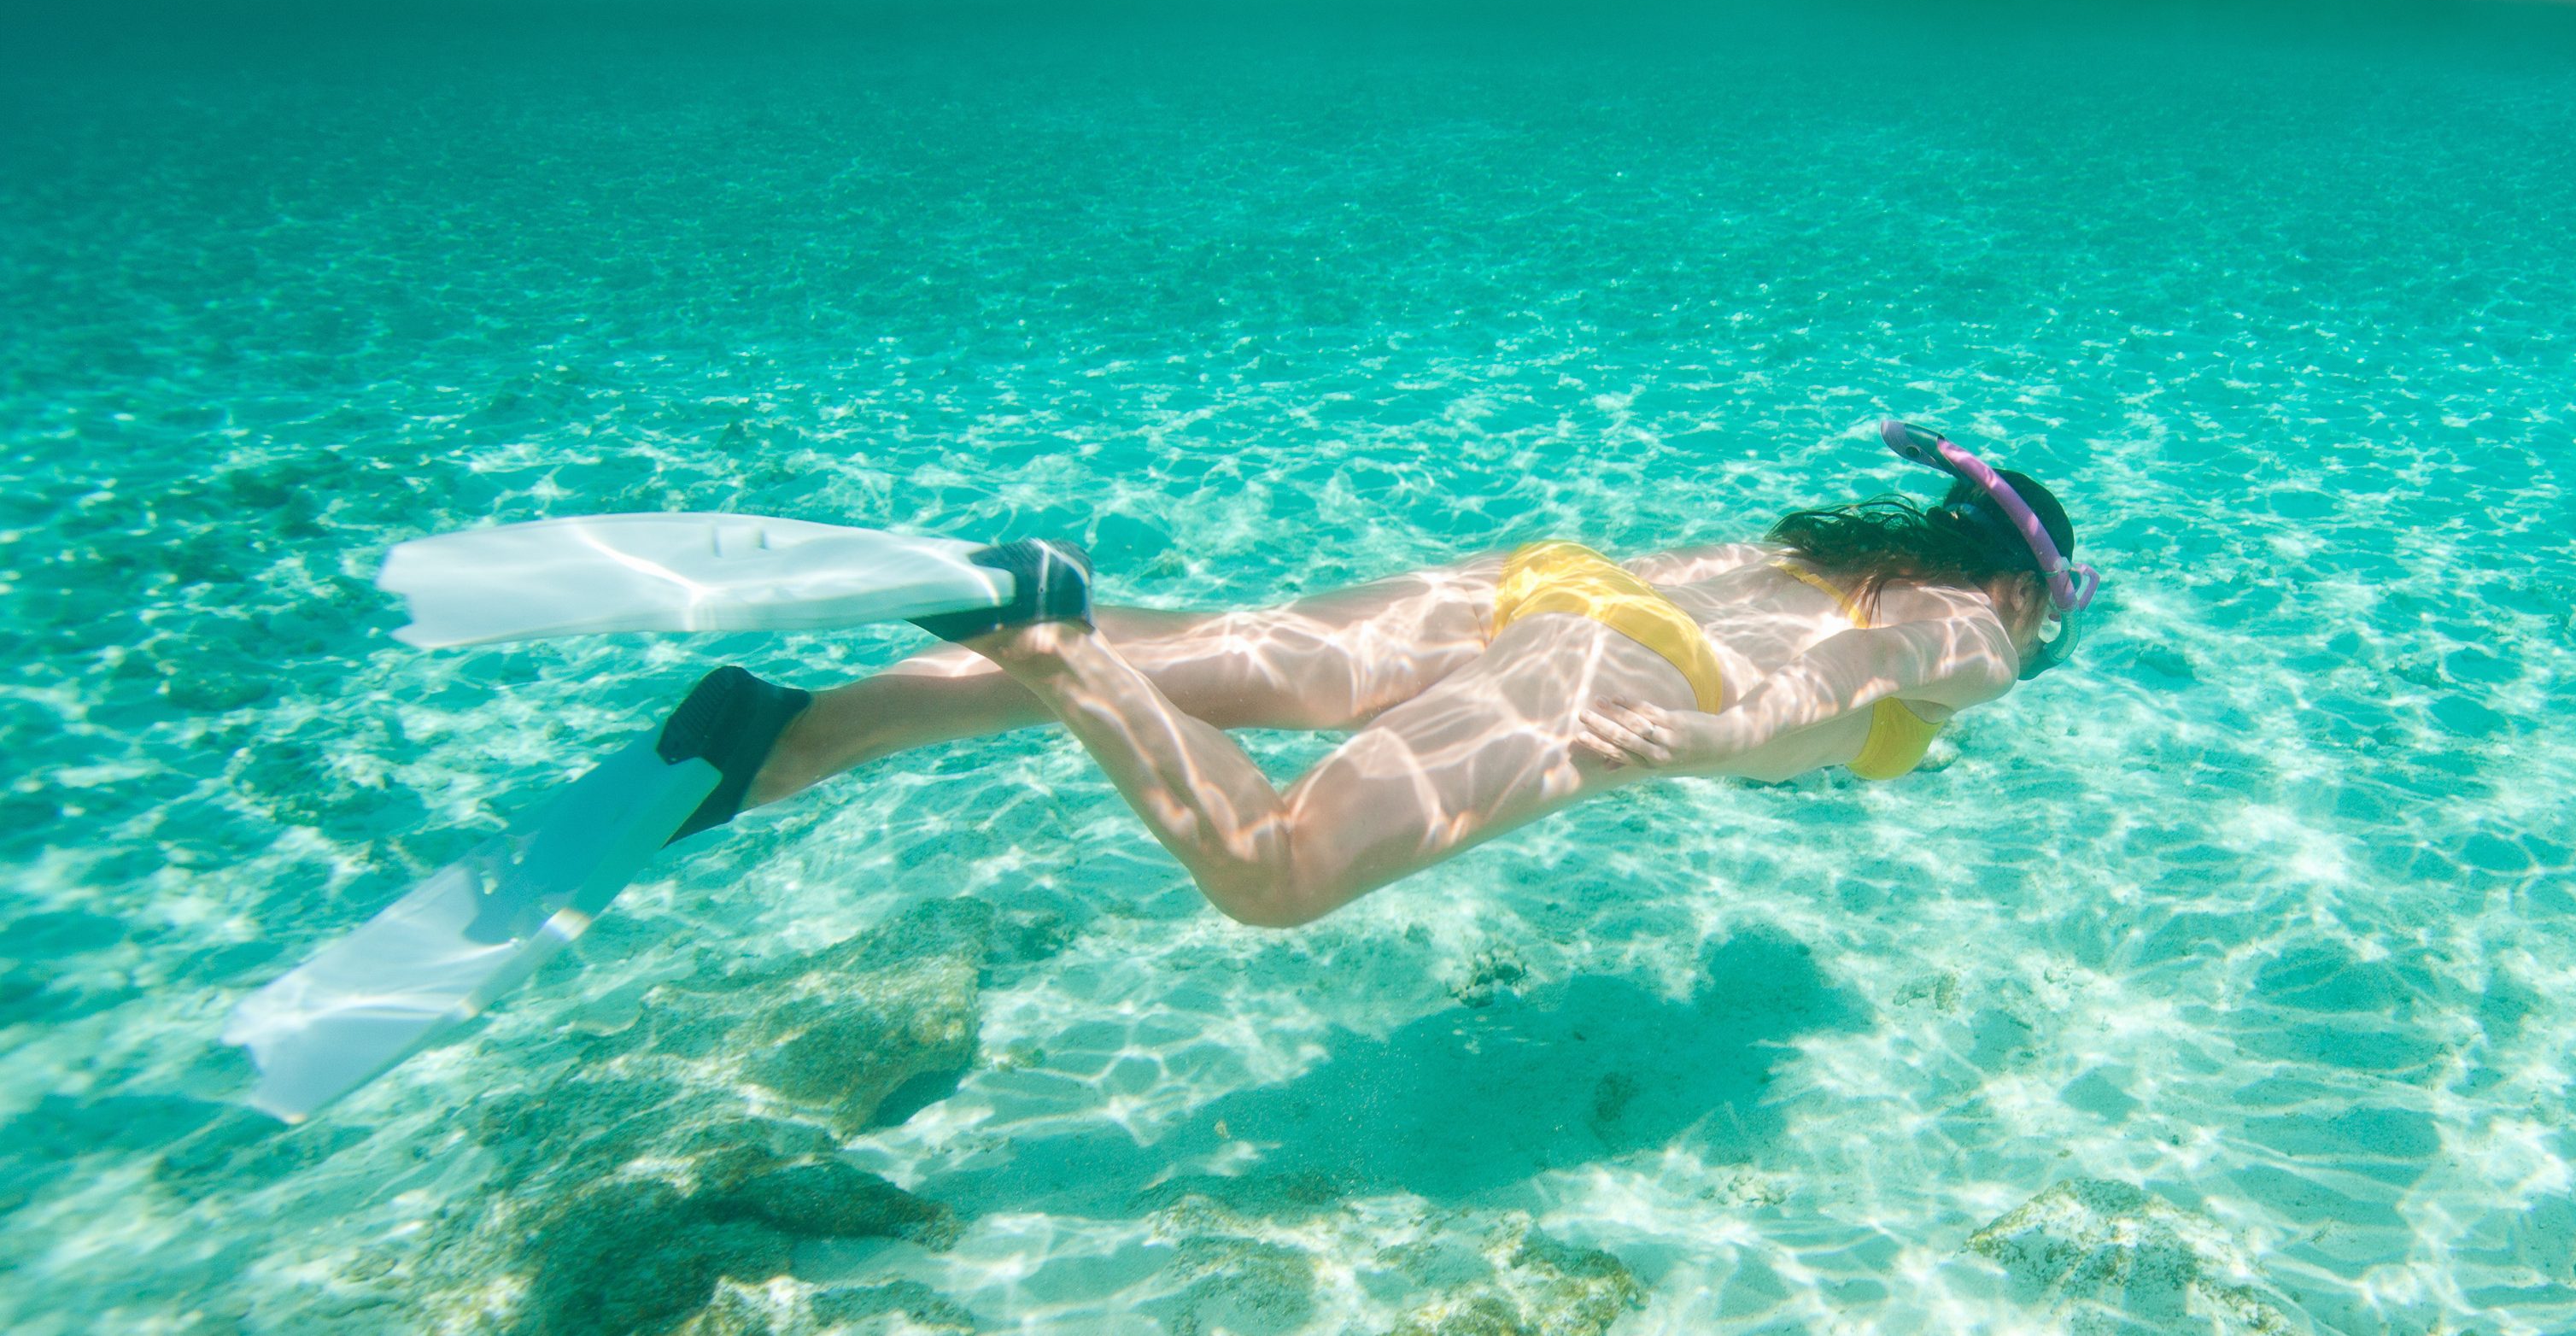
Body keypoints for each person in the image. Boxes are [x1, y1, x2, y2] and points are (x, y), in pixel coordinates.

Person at [659, 425, 2099, 931]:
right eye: (2050, 615)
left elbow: (1806, 622)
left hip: (1550, 581)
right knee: (1277, 870)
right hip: (1626, 662)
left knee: (1203, 655)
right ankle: (1047, 637)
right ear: (2027, 584)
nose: (2034, 642)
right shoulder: (1982, 627)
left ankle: (789, 738)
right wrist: (1698, 742)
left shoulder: (1820, 548)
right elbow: (1861, 666)